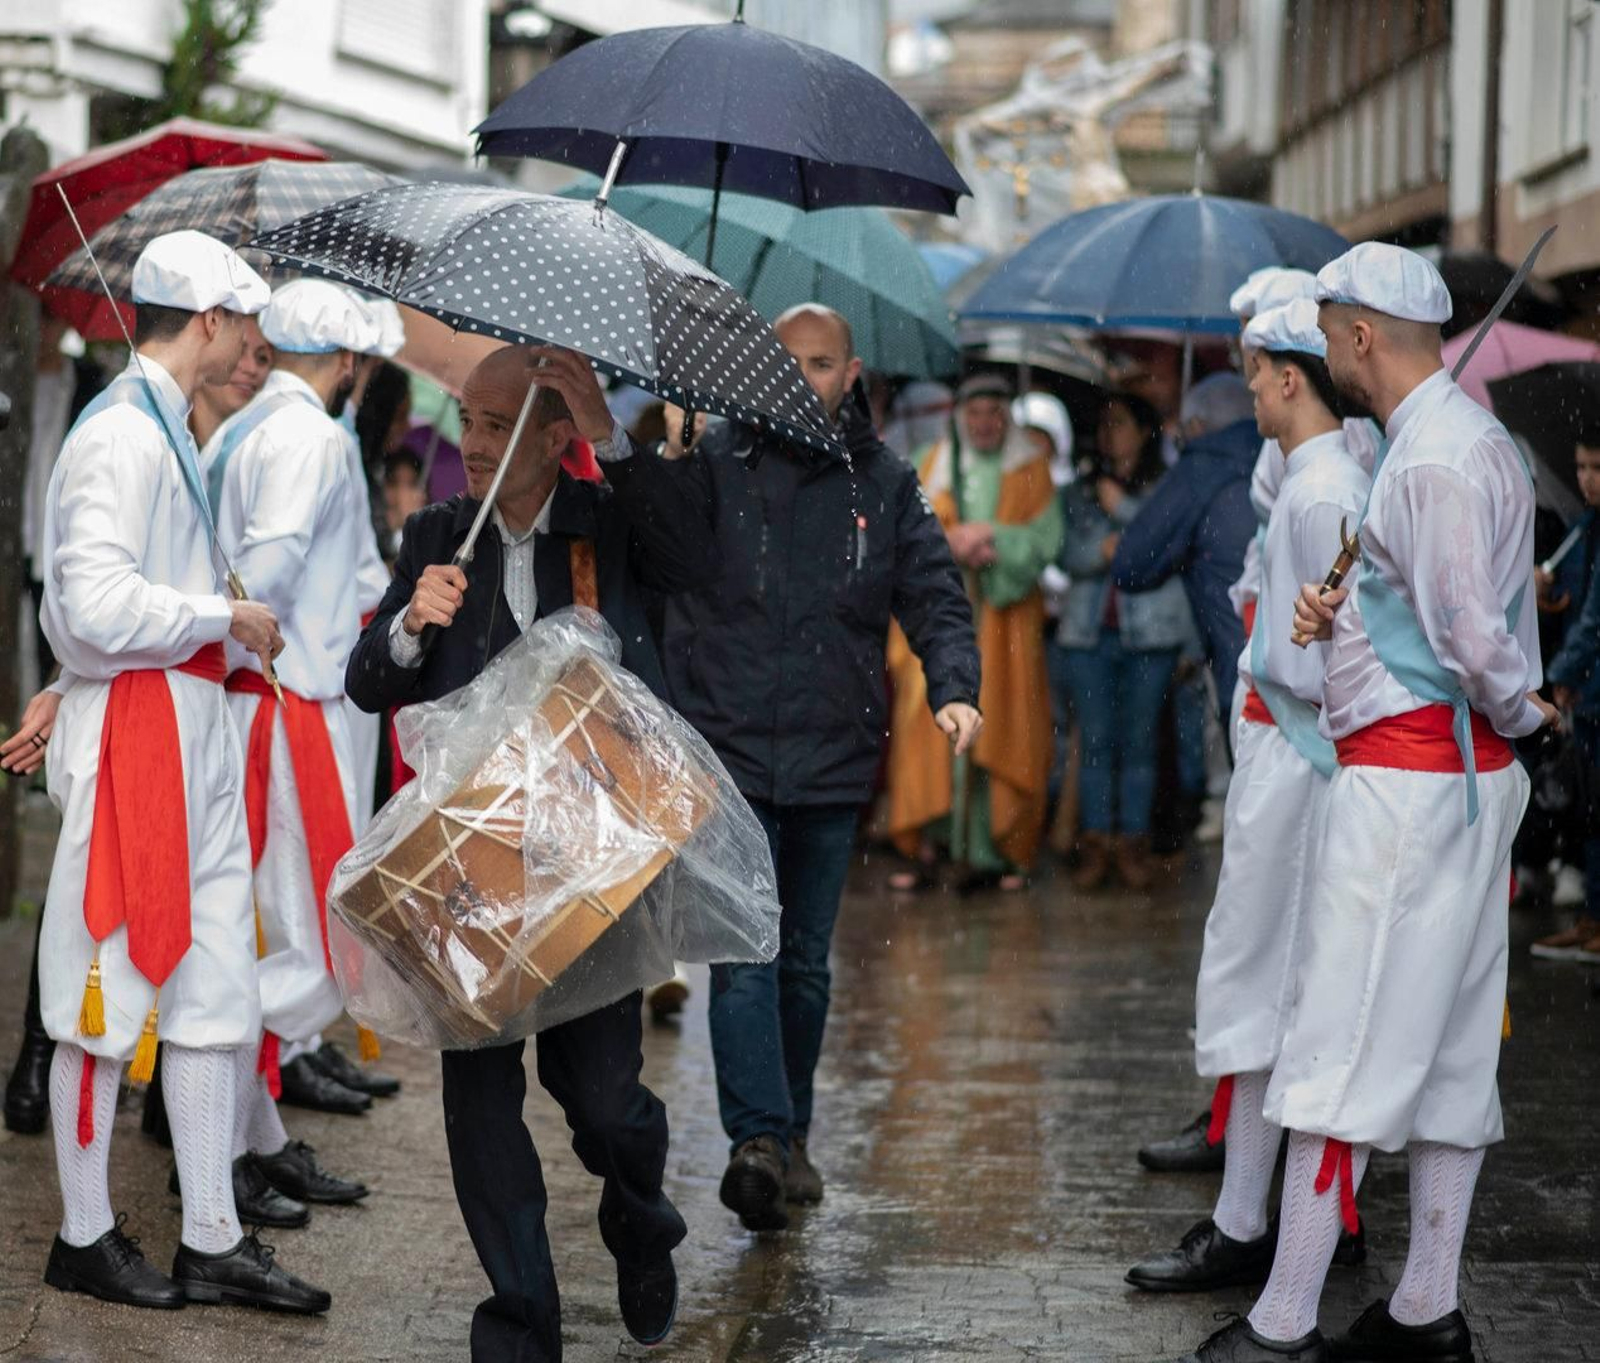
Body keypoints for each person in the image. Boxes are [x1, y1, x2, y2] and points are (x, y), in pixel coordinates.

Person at [1173, 243, 1558, 1363]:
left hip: (1405, 789)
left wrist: (1532, 713)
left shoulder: (1430, 459)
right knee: (1441, 1055)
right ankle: (1423, 1312)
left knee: (1338, 1049)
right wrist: (1340, 617)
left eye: (1327, 327)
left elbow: (1471, 643)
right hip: (1451, 781)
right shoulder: (1444, 443)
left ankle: (1284, 1319)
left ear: (1355, 339)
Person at [346, 343, 717, 1360]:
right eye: (466, 419)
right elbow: (368, 680)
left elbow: (699, 556)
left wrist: (610, 434)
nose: (469, 441)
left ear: (556, 439)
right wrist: (411, 630)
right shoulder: (433, 531)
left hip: (589, 874)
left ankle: (641, 1214)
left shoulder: (609, 526)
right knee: (480, 1107)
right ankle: (520, 1323)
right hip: (462, 882)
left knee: (604, 1105)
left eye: (499, 425)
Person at [0, 230, 329, 1314]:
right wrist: (218, 614)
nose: (252, 345)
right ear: (208, 321)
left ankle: (210, 1235)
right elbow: (90, 603)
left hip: (186, 729)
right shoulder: (123, 436)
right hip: (145, 733)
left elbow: (100, 610)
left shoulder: (165, 427)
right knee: (106, 988)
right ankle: (85, 1234)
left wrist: (193, 636)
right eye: (243, 323)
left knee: (215, 986)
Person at [660, 304, 979, 1229]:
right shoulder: (714, 462)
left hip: (834, 757)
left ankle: (789, 1134)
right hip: (727, 751)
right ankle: (757, 1138)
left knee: (803, 962)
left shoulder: (880, 481)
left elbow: (933, 593)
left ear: (853, 371)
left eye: (823, 362)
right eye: (790, 360)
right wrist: (668, 463)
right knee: (744, 953)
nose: (805, 376)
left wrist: (954, 683)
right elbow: (656, 549)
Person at [1127, 300, 1370, 1296]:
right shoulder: (1310, 481)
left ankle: (1251, 1226)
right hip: (1275, 749)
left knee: (1274, 990)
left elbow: (1330, 664)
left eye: (1254, 367)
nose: (1245, 386)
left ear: (1284, 377)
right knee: (1257, 988)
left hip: (1296, 757)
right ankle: (1245, 1216)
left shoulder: (1327, 489)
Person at [211, 278, 383, 1224]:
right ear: (347, 361)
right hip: (289, 700)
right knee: (320, 944)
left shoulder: (246, 426)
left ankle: (246, 1138)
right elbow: (263, 571)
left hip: (268, 697)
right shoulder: (313, 435)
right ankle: (215, 1109)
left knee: (276, 928)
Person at [885, 371, 1056, 894]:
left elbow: (1047, 538)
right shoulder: (931, 464)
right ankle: (931, 844)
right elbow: (906, 526)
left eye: (994, 414)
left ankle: (993, 849)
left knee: (1002, 725)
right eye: (975, 413)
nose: (984, 424)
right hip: (939, 617)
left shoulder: (1031, 469)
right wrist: (950, 542)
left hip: (1004, 624)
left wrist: (993, 539)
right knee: (927, 726)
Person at [1055, 392, 1192, 890]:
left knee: (1138, 744)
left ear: (1143, 430)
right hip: (1087, 635)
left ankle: (1133, 843)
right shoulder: (1077, 491)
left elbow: (1169, 547)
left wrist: (1126, 512)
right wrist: (1106, 547)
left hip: (1151, 634)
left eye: (1121, 423)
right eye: (1105, 424)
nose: (1111, 433)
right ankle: (1095, 844)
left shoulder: (1166, 488)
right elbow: (1067, 554)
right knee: (1094, 742)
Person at [1111, 373, 1260, 717]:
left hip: (1237, 664)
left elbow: (1131, 562)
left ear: (1195, 425)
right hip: (1298, 666)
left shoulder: (1202, 466)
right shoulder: (1279, 452)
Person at [1533, 428, 1600, 961]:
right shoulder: (1583, 527)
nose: (1586, 479)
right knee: (1588, 804)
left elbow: (1594, 620)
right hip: (1586, 690)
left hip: (1589, 687)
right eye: (1580, 468)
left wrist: (1563, 673)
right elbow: (1577, 604)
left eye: (1596, 468)